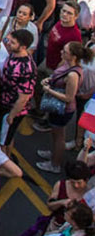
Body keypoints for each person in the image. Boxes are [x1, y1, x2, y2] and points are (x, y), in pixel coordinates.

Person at [37, 41, 90, 173]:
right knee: (55, 134)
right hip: (56, 107)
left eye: (65, 52)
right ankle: (54, 153)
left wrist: (49, 90)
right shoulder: (65, 64)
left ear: (73, 56)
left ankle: (55, 164)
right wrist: (49, 80)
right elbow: (56, 76)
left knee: (59, 136)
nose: (61, 52)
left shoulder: (73, 75)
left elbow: (69, 98)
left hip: (63, 110)